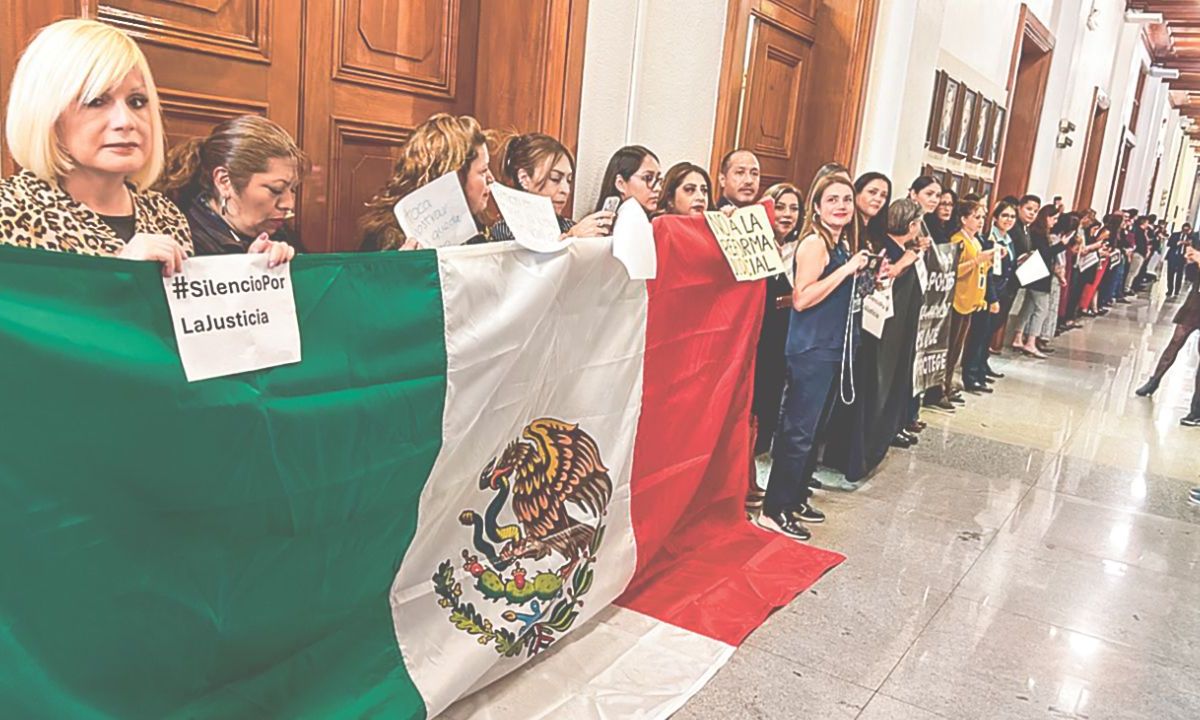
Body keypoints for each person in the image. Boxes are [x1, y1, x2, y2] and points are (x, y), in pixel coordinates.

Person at [0, 19, 191, 272]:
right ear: (47, 114)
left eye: (136, 101)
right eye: (96, 101)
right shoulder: (9, 209)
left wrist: (245, 278)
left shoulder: (165, 213)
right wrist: (119, 274)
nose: (125, 121)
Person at [758, 172, 869, 540]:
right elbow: (803, 298)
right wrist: (847, 271)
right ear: (818, 208)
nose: (841, 206)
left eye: (846, 200)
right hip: (811, 349)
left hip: (833, 346)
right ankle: (774, 509)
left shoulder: (840, 245)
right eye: (833, 199)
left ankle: (795, 496)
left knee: (816, 430)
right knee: (798, 432)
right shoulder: (813, 245)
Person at [156, 115, 300, 263]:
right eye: (276, 189)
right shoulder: (184, 242)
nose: (289, 204)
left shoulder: (282, 235)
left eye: (293, 189)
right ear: (224, 181)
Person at [747, 182, 804, 516]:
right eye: (779, 207)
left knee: (770, 409)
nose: (786, 215)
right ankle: (745, 477)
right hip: (759, 339)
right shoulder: (755, 245)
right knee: (753, 409)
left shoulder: (802, 248)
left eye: (793, 208)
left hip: (788, 340)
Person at [358, 114, 493, 251]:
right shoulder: (384, 240)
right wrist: (399, 270)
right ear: (454, 178)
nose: (491, 178)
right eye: (483, 170)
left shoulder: (478, 230)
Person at [486, 132, 614, 240]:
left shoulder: (569, 226)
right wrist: (571, 238)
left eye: (569, 181)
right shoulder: (504, 231)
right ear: (524, 178)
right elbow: (532, 265)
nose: (566, 190)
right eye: (555, 179)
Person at [1135, 243, 1200, 427]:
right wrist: (1191, 261)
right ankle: (1154, 380)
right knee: (1174, 342)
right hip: (1194, 304)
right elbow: (1191, 277)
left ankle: (1197, 409)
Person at [944, 200, 995, 397]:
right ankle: (942, 385)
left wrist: (989, 261)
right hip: (958, 298)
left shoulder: (976, 240)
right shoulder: (958, 240)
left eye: (982, 217)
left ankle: (948, 384)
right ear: (964, 219)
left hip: (972, 298)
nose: (981, 221)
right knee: (951, 346)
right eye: (976, 217)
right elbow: (953, 270)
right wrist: (977, 261)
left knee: (958, 347)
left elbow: (980, 270)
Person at [963, 201, 1015, 390]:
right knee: (977, 335)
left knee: (986, 334)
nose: (1009, 220)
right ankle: (971, 373)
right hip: (982, 292)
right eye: (1005, 216)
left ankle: (980, 369)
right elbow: (987, 271)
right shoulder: (987, 238)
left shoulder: (1007, 239)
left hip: (1001, 290)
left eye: (1012, 216)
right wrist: (992, 297)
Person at [1011, 205, 1063, 358]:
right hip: (1038, 276)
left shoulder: (1036, 231)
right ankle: (1031, 341)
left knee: (1028, 307)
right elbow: (1043, 254)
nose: (1054, 222)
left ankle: (1018, 336)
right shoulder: (1038, 233)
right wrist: (1062, 245)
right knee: (1042, 310)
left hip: (1037, 275)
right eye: (1053, 219)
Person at [991, 194, 1040, 352]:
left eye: (1035, 211)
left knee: (999, 320)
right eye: (1028, 209)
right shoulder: (1013, 232)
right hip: (1001, 283)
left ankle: (982, 363)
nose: (1032, 213)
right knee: (989, 324)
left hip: (1014, 282)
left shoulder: (1025, 230)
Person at [592, 145, 660, 216]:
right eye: (648, 178)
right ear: (620, 184)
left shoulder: (659, 223)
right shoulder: (593, 225)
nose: (658, 188)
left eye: (658, 179)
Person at [1166, 223, 1194, 298]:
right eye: (1184, 230)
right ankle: (1170, 289)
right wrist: (1178, 243)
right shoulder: (1175, 235)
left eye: (1187, 230)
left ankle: (1177, 290)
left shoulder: (1191, 237)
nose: (1185, 231)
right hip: (1173, 256)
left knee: (1179, 274)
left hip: (1182, 257)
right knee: (1170, 273)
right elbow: (1169, 244)